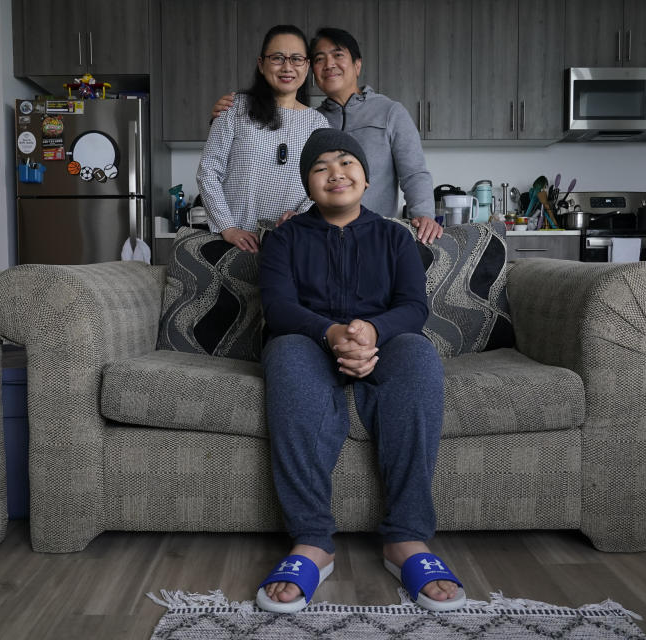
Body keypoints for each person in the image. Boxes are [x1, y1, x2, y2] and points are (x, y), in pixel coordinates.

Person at [255, 128, 465, 614]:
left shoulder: (395, 236)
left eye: (347, 163)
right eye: (321, 166)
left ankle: (406, 538)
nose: (336, 173)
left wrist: (371, 331)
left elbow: (414, 306)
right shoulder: (283, 239)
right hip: (306, 342)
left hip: (386, 341)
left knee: (418, 355)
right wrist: (332, 335)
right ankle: (312, 541)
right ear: (307, 183)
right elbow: (279, 307)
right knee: (285, 353)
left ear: (366, 179)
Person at [211, 27, 443, 245]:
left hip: (373, 237)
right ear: (312, 70)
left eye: (338, 55)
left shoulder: (389, 112)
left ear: (357, 65)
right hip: (320, 241)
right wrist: (222, 117)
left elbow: (414, 173)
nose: (329, 64)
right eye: (320, 59)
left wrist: (423, 215)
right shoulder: (313, 119)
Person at [197, 24, 329, 253]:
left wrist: (302, 216)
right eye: (278, 58)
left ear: (306, 65)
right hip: (233, 245)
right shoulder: (235, 108)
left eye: (296, 59)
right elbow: (208, 171)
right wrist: (228, 227)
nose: (287, 67)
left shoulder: (318, 123)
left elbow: (322, 182)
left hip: (292, 245)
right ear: (261, 64)